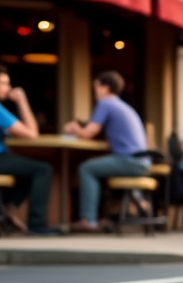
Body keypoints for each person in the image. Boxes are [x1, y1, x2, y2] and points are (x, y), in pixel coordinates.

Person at [0, 65, 60, 235]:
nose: (8, 89)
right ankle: (36, 224)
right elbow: (32, 134)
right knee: (42, 169)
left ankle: (4, 209)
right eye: (3, 83)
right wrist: (22, 100)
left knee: (28, 170)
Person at [64, 71, 151, 233]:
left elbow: (88, 133)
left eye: (96, 87)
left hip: (130, 161)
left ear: (106, 88)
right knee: (98, 168)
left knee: (87, 168)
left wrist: (74, 127)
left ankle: (88, 220)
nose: (94, 91)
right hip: (142, 161)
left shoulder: (106, 103)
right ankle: (138, 205)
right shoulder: (123, 105)